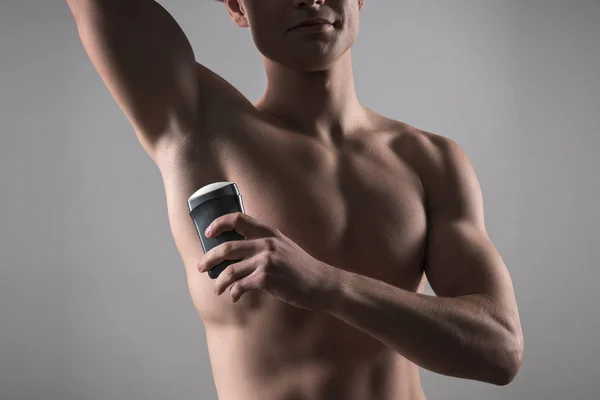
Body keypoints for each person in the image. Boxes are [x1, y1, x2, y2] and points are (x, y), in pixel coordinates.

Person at [65, 1, 524, 399]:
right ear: (237, 6)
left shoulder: (429, 161)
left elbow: (500, 350)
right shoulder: (196, 128)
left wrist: (325, 285)